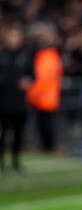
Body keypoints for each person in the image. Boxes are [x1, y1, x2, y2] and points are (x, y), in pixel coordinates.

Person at [26, 23, 62, 153]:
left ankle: (49, 146)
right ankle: (47, 146)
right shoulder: (46, 55)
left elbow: (42, 77)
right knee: (43, 122)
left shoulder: (48, 56)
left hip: (45, 95)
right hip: (44, 95)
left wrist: (34, 92)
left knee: (46, 123)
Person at [0, 24, 32, 173]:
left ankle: (16, 162)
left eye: (16, 36)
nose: (14, 40)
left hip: (20, 102)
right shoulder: (2, 56)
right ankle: (1, 163)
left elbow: (32, 75)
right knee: (3, 133)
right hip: (4, 102)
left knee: (19, 134)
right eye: (11, 36)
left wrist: (28, 81)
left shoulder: (24, 57)